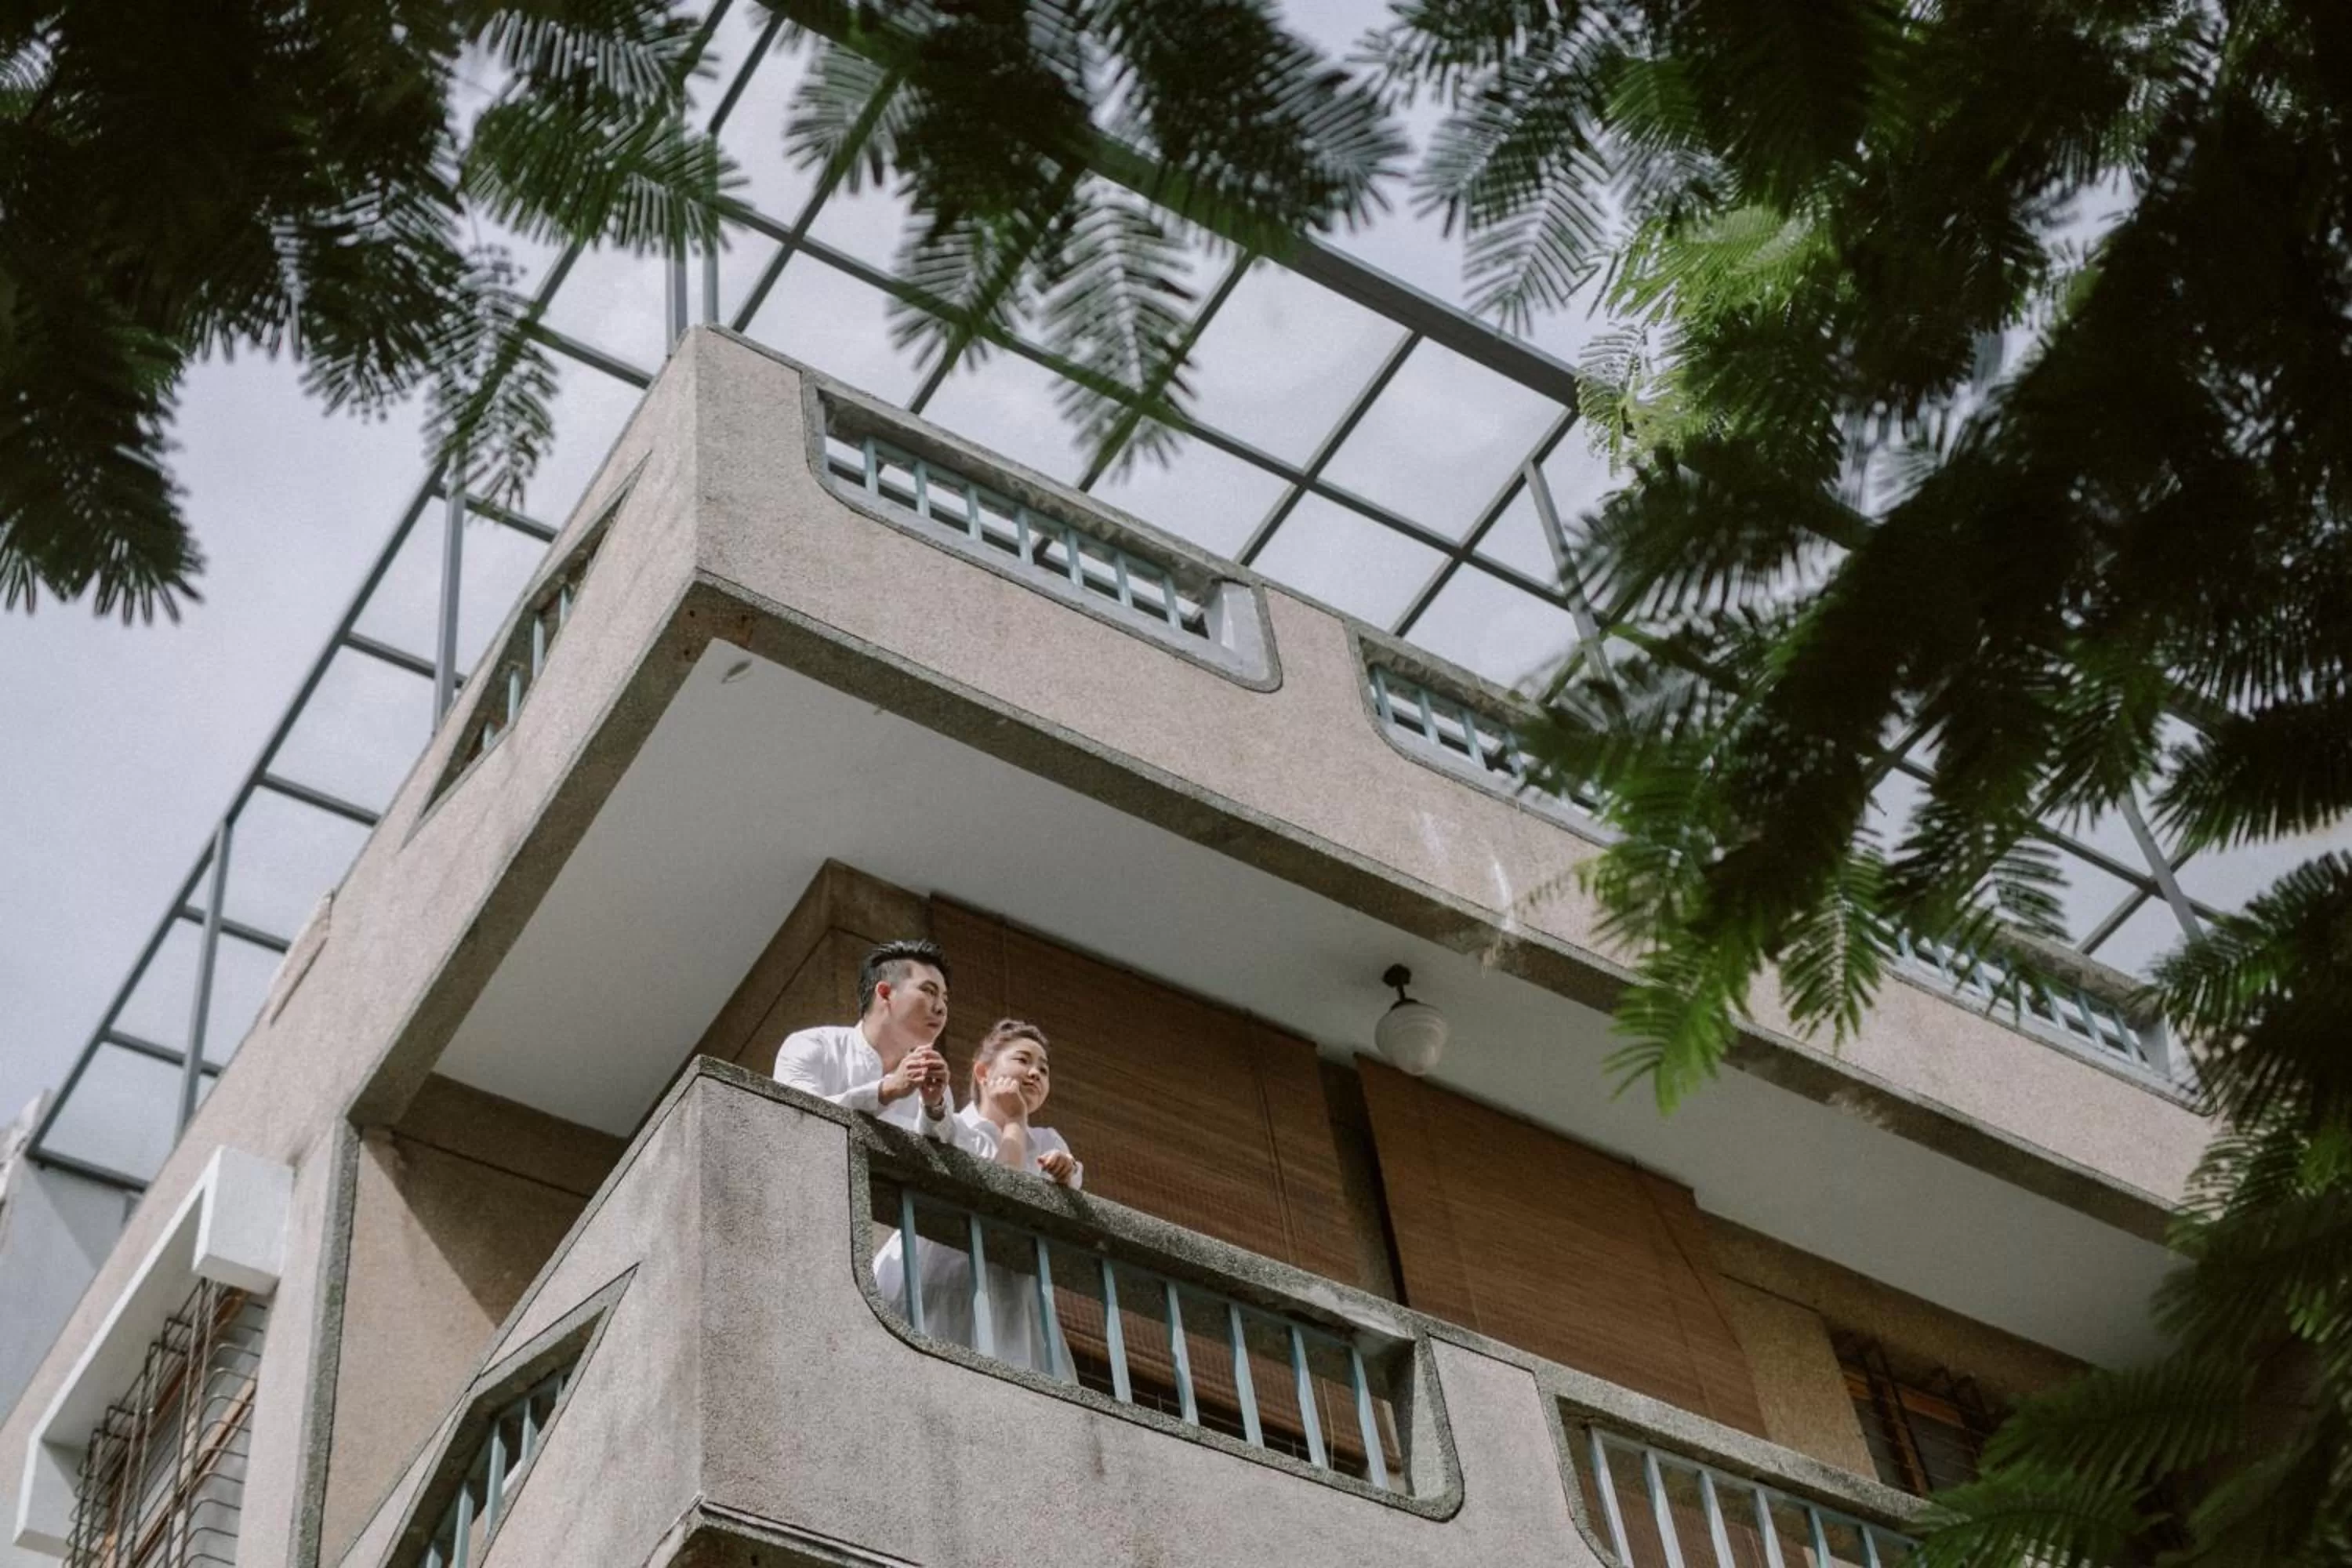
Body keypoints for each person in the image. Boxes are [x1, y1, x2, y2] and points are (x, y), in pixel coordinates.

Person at [878, 1020, 1082, 1373]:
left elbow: (1068, 1191)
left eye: (1044, 1069)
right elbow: (1002, 1193)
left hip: (1007, 1287)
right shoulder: (958, 1126)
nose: (1035, 1072)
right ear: (984, 1072)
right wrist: (1015, 1119)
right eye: (1023, 1059)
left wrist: (1066, 1171)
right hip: (942, 1270)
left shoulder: (1048, 1141)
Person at [772, 938, 959, 1142]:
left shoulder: (934, 1084)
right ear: (885, 993)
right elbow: (799, 1120)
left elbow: (947, 1161)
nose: (941, 1008)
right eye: (929, 991)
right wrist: (887, 1090)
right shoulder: (811, 1046)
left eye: (945, 999)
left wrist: (934, 1109)